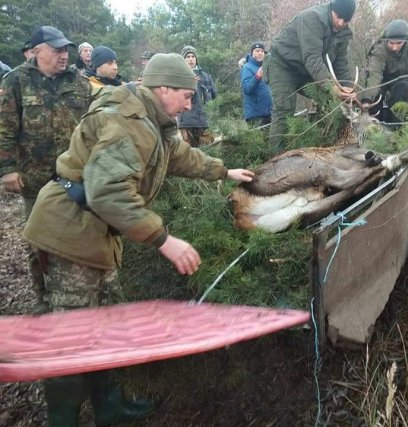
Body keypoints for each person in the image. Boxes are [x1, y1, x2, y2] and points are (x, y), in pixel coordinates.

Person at [22, 53, 255, 426]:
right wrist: (164, 239)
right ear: (163, 88)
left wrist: (223, 171)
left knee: (107, 326)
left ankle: (109, 407)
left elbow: (178, 155)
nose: (190, 103)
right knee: (71, 338)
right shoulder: (127, 123)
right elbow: (109, 194)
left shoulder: (154, 118)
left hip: (94, 235)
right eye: (185, 95)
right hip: (69, 232)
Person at [0, 25, 91, 314]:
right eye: (56, 50)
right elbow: (4, 129)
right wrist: (7, 169)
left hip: (76, 176)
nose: (63, 55)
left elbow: (95, 122)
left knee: (78, 234)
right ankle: (43, 298)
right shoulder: (16, 81)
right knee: (37, 239)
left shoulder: (80, 82)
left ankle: (76, 296)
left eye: (66, 50)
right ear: (37, 51)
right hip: (36, 177)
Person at [265, 0, 357, 153]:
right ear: (331, 9)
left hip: (305, 71)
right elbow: (312, 58)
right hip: (282, 65)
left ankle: (323, 148)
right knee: (285, 110)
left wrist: (348, 89)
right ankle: (277, 160)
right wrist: (331, 86)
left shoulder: (343, 33)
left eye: (346, 20)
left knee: (329, 102)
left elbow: (340, 65)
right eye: (338, 17)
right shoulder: (312, 18)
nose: (341, 23)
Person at [360, 19, 408, 124]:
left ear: (406, 40)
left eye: (399, 43)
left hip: (402, 78)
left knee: (401, 93)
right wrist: (367, 99)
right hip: (382, 80)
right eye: (391, 43)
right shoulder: (380, 48)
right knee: (375, 100)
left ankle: (398, 130)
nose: (394, 47)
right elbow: (374, 75)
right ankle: (375, 131)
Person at [178, 45, 217, 146]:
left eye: (193, 56)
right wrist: (189, 83)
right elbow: (176, 98)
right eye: (188, 57)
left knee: (208, 152)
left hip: (204, 122)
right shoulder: (178, 76)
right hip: (187, 122)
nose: (191, 59)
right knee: (190, 155)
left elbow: (214, 96)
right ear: (183, 59)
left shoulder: (205, 76)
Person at [240, 42, 272, 126]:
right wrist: (257, 76)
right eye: (257, 51)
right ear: (252, 53)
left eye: (262, 51)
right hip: (255, 116)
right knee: (259, 139)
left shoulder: (267, 67)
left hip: (269, 114)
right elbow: (247, 89)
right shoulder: (246, 67)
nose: (260, 53)